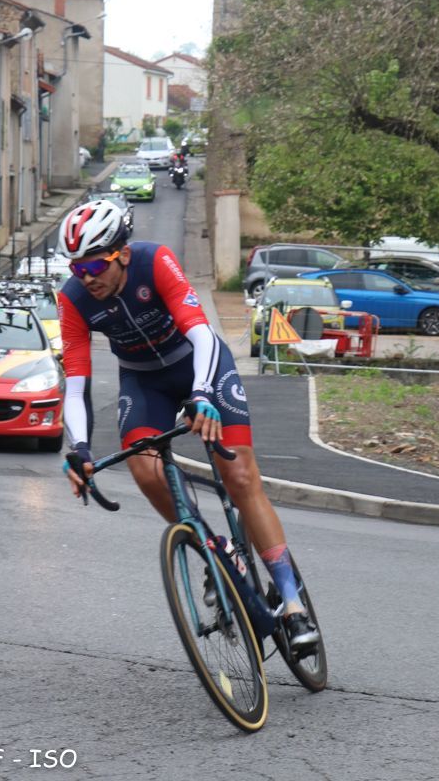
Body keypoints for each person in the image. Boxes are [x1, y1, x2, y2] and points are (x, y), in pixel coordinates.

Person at [57, 198, 319, 654]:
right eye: (77, 269)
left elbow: (200, 332)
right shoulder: (74, 299)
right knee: (144, 469)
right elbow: (76, 384)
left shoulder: (154, 261)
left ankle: (292, 603)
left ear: (121, 253)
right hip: (144, 383)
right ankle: (214, 551)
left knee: (240, 475)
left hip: (199, 365)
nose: (87, 277)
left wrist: (201, 394)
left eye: (95, 265)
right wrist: (78, 447)